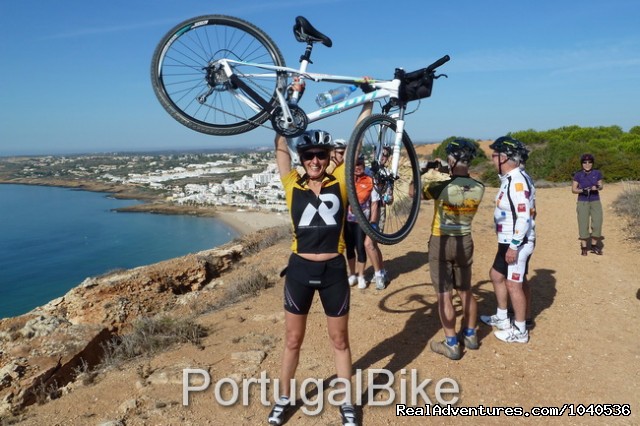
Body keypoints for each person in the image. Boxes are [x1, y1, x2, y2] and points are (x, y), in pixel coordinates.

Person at [267, 105, 373, 426]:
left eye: (321, 155)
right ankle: (283, 399)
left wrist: (367, 104)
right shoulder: (291, 183)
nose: (314, 160)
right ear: (302, 158)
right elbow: (281, 145)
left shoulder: (340, 181)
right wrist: (284, 110)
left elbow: (358, 135)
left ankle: (348, 403)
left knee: (340, 341)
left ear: (330, 157)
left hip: (333, 272)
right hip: (299, 270)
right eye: (309, 155)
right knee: (292, 340)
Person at [421, 139, 485, 360]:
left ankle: (451, 343)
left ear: (451, 159)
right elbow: (460, 184)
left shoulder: (442, 186)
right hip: (465, 239)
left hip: (441, 240)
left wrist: (424, 172)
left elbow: (413, 193)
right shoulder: (479, 187)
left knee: (444, 295)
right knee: (465, 291)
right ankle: (470, 335)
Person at [480, 136, 536, 344]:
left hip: (516, 242)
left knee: (514, 284)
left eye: (494, 155)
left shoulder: (517, 181)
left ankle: (520, 330)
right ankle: (503, 317)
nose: (492, 159)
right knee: (496, 275)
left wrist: (514, 246)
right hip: (507, 240)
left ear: (504, 157)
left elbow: (523, 216)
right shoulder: (511, 178)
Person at [345, 155, 386, 290]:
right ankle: (353, 274)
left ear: (364, 164)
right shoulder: (348, 180)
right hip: (348, 220)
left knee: (363, 247)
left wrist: (373, 223)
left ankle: (366, 275)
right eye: (355, 164)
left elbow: (374, 204)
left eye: (360, 163)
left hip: (363, 221)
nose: (357, 167)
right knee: (350, 248)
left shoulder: (369, 180)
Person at [571, 153, 604, 256]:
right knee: (583, 223)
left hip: (595, 200)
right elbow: (573, 189)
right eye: (585, 162)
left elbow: (601, 186)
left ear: (592, 163)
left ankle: (594, 246)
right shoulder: (578, 174)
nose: (587, 164)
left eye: (589, 162)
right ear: (582, 164)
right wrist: (582, 191)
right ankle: (584, 247)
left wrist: (597, 187)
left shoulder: (597, 173)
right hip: (583, 201)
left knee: (597, 222)